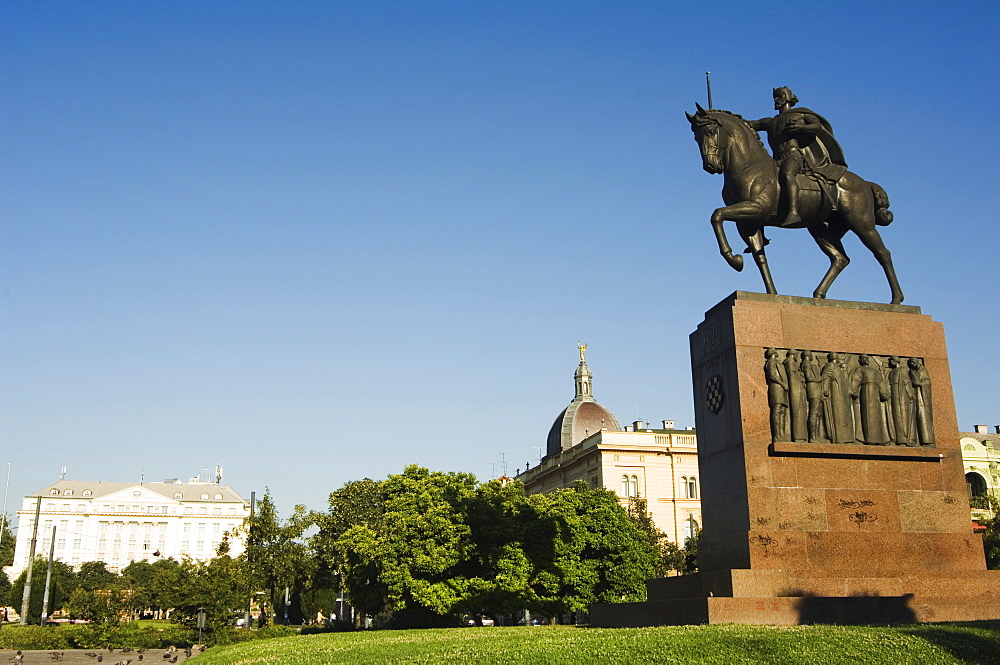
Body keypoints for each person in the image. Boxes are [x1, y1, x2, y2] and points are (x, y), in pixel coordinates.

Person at [749, 87, 847, 226]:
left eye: (779, 96)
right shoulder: (770, 122)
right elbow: (749, 124)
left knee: (787, 174)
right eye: (775, 97)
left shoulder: (800, 114)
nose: (776, 100)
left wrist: (803, 128)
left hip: (793, 156)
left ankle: (793, 212)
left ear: (788, 97)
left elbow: (817, 126)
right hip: (775, 159)